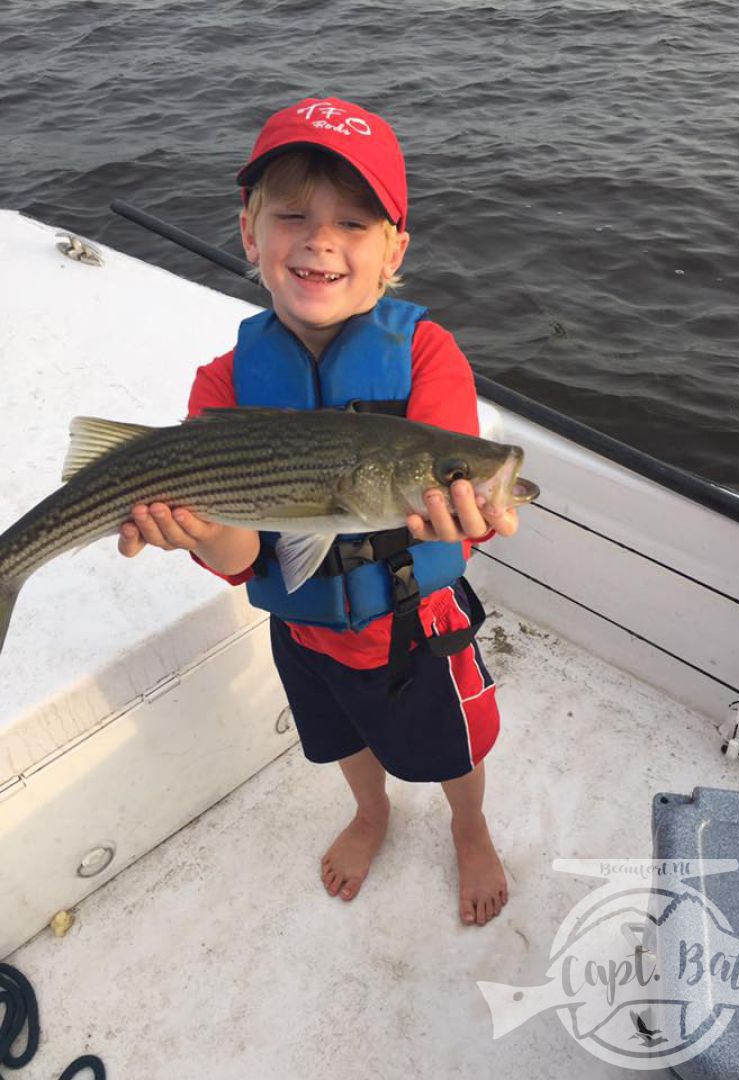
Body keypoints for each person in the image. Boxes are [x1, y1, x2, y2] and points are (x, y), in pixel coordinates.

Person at [118, 96, 521, 927]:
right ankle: (371, 813)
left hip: (416, 625)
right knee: (341, 739)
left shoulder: (424, 353)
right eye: (293, 215)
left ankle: (468, 826)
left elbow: (452, 475)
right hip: (305, 633)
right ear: (249, 234)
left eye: (354, 223)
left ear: (393, 251)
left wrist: (469, 512)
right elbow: (240, 558)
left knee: (455, 751)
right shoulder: (221, 387)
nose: (320, 239)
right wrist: (196, 531)